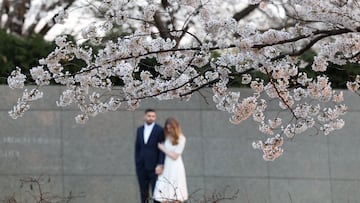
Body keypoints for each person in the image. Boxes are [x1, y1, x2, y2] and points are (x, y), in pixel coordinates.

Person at [153, 118, 188, 203]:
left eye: (171, 128)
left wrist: (163, 148)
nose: (169, 130)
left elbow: (175, 156)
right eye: (167, 128)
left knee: (175, 193)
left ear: (175, 127)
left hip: (175, 167)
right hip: (166, 165)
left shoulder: (181, 138)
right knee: (164, 194)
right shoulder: (167, 136)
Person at [135, 109, 165, 203]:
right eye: (149, 116)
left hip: (155, 167)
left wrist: (160, 164)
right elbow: (137, 147)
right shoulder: (140, 130)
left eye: (153, 116)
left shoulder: (159, 129)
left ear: (155, 117)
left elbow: (162, 149)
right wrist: (137, 162)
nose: (151, 118)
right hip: (141, 167)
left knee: (156, 193)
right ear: (145, 116)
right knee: (143, 193)